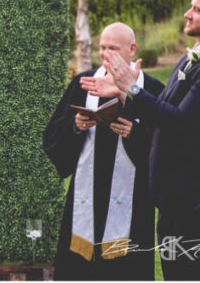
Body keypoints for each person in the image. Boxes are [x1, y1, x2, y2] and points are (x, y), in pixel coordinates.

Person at [82, 0, 200, 280]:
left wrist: (130, 87)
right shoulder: (193, 57)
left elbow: (180, 123)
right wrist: (124, 94)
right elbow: (164, 108)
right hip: (176, 200)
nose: (187, 14)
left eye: (197, 10)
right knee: (176, 275)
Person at [43, 22, 165, 280]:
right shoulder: (84, 83)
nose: (106, 54)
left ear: (132, 49)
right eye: (103, 47)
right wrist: (75, 126)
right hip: (84, 199)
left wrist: (135, 133)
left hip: (132, 202)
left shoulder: (151, 90)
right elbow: (53, 138)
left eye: (114, 48)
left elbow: (166, 144)